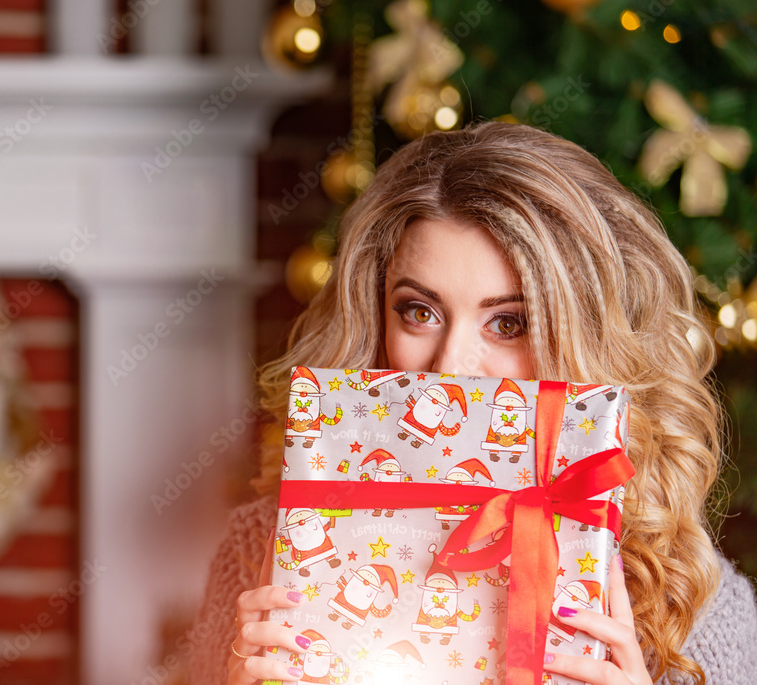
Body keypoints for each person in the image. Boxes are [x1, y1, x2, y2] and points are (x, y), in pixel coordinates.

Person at [188, 121, 757, 685]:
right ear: (373, 315)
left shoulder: (695, 609)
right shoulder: (260, 553)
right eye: (419, 311)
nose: (450, 366)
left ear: (584, 339)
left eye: (509, 323)